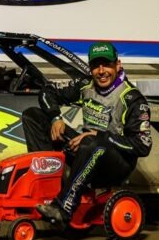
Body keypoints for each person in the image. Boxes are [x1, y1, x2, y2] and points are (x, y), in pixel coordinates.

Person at [21, 42, 152, 226]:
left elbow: (143, 145)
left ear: (118, 65)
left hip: (116, 164)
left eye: (106, 64)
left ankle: (64, 208)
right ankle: (44, 188)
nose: (101, 71)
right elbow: (47, 92)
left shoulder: (132, 99)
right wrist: (55, 118)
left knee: (93, 142)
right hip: (86, 149)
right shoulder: (85, 85)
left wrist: (101, 136)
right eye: (95, 65)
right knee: (32, 115)